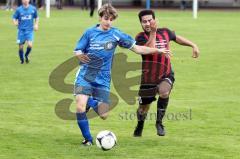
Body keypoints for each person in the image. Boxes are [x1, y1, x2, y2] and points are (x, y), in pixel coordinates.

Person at [74, 4, 170, 146]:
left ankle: (90, 101)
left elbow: (137, 49)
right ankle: (88, 139)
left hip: (103, 79)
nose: (108, 22)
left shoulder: (116, 34)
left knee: (104, 115)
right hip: (86, 75)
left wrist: (157, 50)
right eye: (106, 18)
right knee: (79, 106)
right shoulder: (89, 33)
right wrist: (80, 55)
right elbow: (78, 50)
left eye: (111, 19)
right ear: (100, 17)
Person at [133, 9, 199, 137]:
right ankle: (140, 125)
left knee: (164, 91)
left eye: (149, 20)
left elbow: (176, 38)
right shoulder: (140, 37)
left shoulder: (165, 32)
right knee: (143, 108)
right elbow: (149, 50)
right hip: (148, 78)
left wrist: (193, 45)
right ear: (140, 23)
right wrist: (153, 32)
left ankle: (159, 123)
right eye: (144, 21)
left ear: (154, 20)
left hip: (166, 73)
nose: (147, 23)